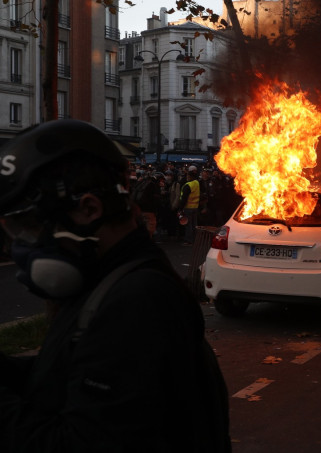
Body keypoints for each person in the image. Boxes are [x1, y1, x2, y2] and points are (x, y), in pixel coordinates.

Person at [0, 120, 231, 452]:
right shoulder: (113, 280)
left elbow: (76, 443)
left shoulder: (136, 303)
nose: (18, 247)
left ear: (89, 209)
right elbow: (63, 377)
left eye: (30, 226)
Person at [178, 164, 201, 244]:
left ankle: (189, 240)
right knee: (194, 225)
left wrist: (180, 209)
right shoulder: (197, 183)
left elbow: (184, 199)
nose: (187, 177)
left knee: (188, 225)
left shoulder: (188, 185)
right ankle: (195, 239)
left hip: (188, 208)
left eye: (188, 176)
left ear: (189, 176)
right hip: (195, 207)